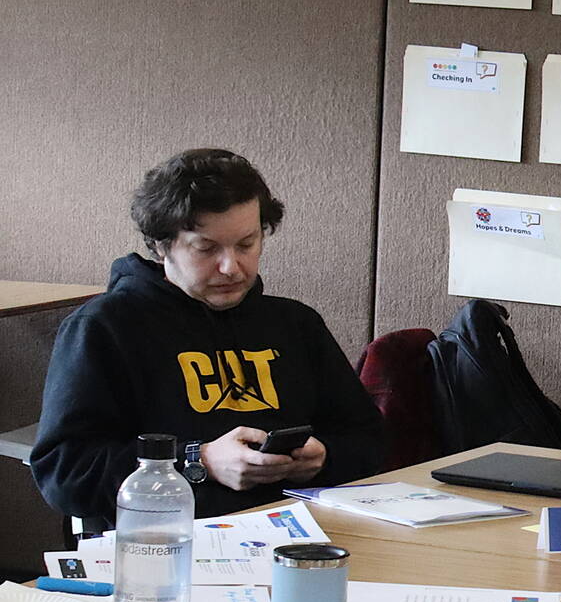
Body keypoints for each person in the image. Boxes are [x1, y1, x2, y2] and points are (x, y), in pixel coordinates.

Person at [32, 148, 384, 524]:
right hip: (167, 541)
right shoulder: (105, 328)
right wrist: (198, 462)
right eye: (207, 248)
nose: (231, 267)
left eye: (247, 244)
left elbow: (370, 442)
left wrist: (324, 456)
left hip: (300, 532)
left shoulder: (296, 324)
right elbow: (66, 472)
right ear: (162, 244)